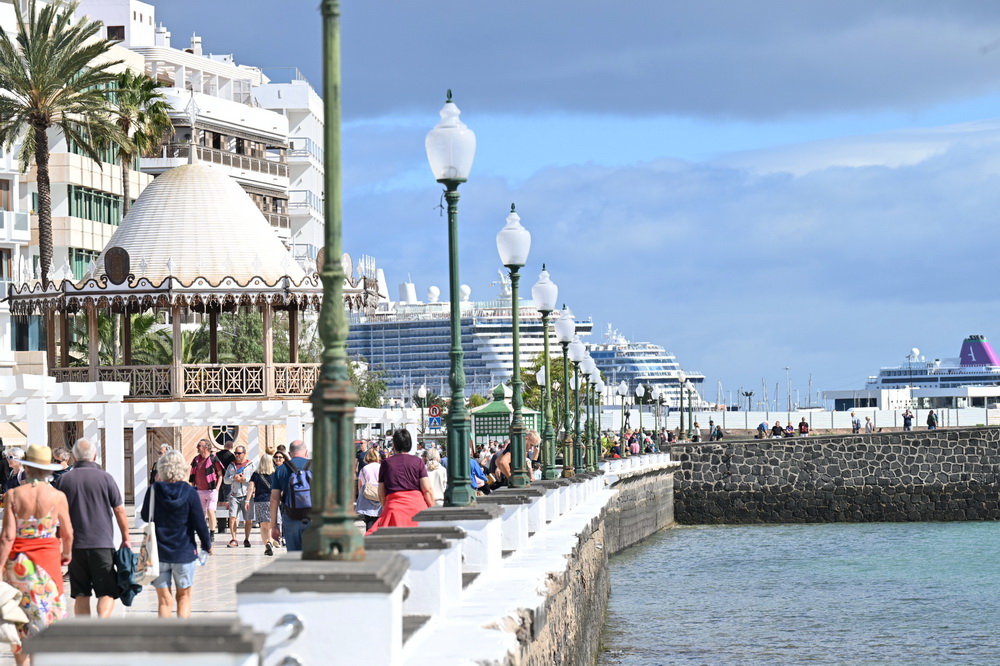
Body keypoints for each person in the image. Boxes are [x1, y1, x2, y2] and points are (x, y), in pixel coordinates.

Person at [0, 445, 72, 664]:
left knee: (19, 618)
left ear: (28, 468)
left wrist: (1, 565)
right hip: (48, 563)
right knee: (46, 617)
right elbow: (68, 532)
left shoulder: (14, 494)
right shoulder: (57, 496)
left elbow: (7, 536)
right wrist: (66, 554)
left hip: (19, 564)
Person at [54, 438, 130, 619]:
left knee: (81, 593)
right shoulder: (106, 478)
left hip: (75, 546)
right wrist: (126, 538)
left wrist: (59, 544)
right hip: (102, 544)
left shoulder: (64, 480)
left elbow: (56, 515)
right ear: (94, 456)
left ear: (73, 456)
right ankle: (101, 626)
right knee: (107, 592)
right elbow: (119, 510)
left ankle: (85, 633)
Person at [140, 450, 212, 619]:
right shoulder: (190, 492)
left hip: (159, 553)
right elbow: (200, 523)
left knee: (164, 601)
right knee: (184, 597)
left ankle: (165, 639)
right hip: (184, 552)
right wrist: (207, 544)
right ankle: (181, 636)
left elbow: (145, 516)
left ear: (162, 469)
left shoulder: (154, 490)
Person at [365, 430, 434, 535]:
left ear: (394, 444)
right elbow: (427, 490)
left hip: (394, 508)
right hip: (417, 507)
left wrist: (386, 507)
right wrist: (432, 508)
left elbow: (381, 493)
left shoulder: (386, 463)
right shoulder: (418, 462)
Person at [270, 440, 311, 552]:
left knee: (294, 556)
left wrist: (274, 526)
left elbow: (274, 499)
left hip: (290, 517)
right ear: (306, 452)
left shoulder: (281, 469)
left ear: (289, 453)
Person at [189, 439, 224, 542]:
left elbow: (220, 474)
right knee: (201, 513)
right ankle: (203, 532)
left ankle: (212, 533)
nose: (197, 447)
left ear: (205, 447)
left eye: (199, 445)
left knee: (210, 510)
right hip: (199, 490)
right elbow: (192, 475)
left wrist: (217, 488)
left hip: (211, 490)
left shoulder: (214, 459)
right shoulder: (196, 460)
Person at [223, 445, 254, 548]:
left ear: (244, 454)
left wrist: (244, 479)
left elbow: (255, 480)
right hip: (234, 495)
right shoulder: (231, 465)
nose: (236, 455)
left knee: (248, 519)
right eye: (235, 453)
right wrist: (233, 478)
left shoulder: (251, 465)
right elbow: (225, 480)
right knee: (232, 517)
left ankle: (247, 539)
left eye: (239, 453)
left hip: (247, 496)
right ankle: (234, 539)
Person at [246, 454, 277, 556]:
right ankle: (270, 543)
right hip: (273, 501)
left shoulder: (256, 474)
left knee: (263, 526)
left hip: (260, 501)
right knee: (272, 524)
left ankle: (267, 544)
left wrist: (247, 500)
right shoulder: (275, 474)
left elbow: (251, 488)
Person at [355, 449, 382, 530]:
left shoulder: (364, 469)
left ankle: (369, 538)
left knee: (369, 522)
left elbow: (360, 485)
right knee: (379, 521)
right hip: (380, 495)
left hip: (367, 495)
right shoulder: (381, 467)